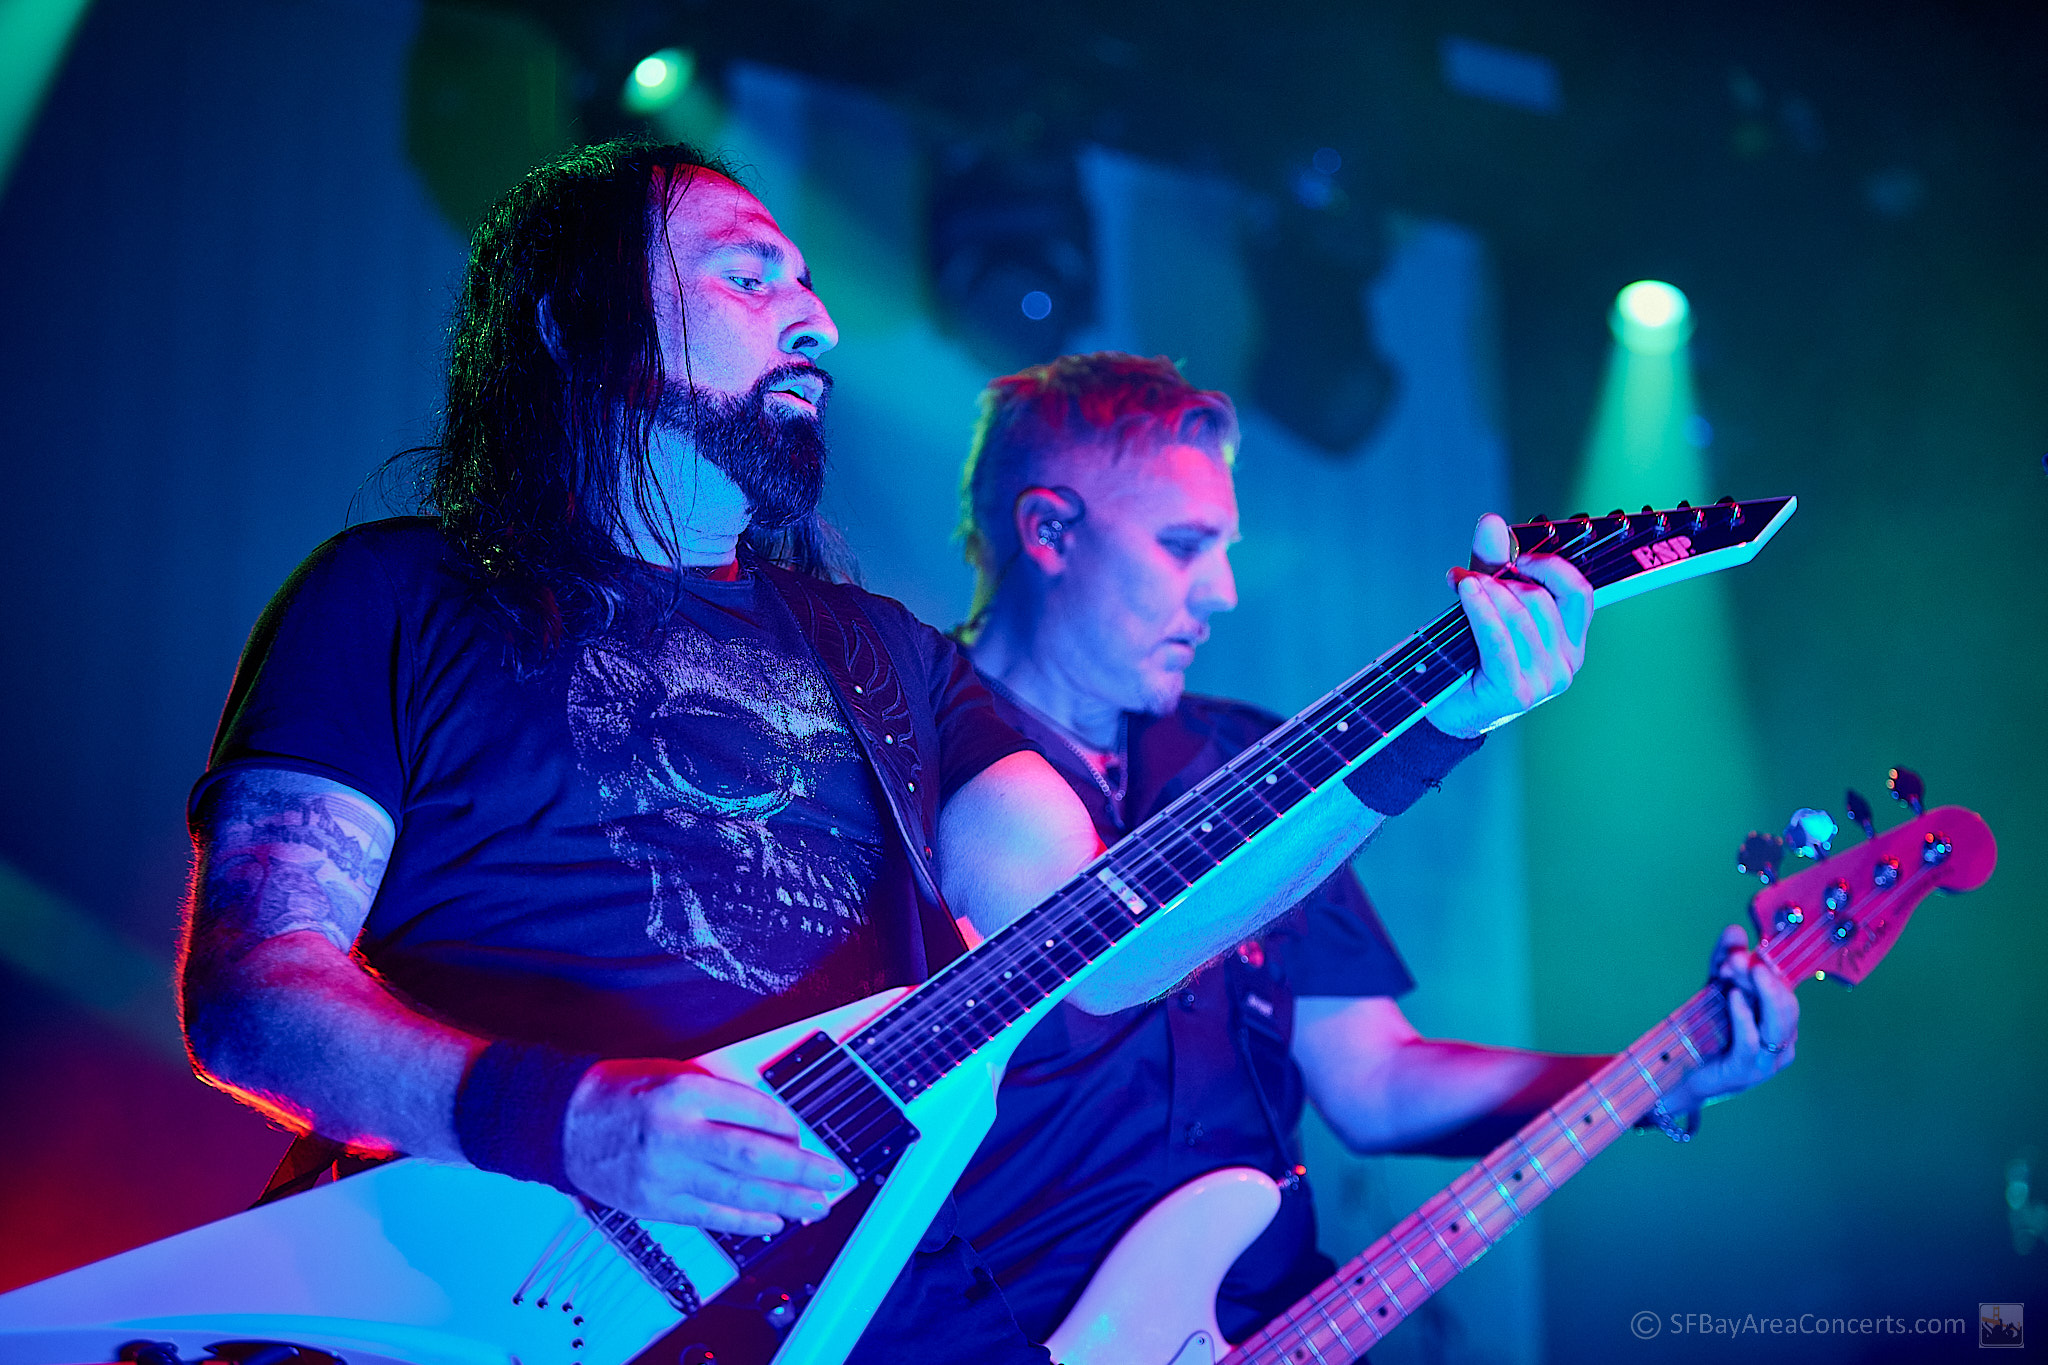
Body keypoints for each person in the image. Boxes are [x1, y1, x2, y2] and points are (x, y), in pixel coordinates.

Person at [175, 141, 1587, 1362]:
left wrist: (1431, 729)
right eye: (750, 277)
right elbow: (252, 994)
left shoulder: (890, 658)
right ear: (575, 321)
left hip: (877, 1306)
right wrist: (569, 1117)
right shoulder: (393, 595)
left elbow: (1109, 941)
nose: (821, 323)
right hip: (472, 1292)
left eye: (809, 283)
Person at [945, 353, 1800, 1347]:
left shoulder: (1247, 758)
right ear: (1047, 530)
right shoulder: (909, 754)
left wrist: (1661, 1076)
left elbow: (1375, 1083)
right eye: (1183, 545)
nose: (1220, 591)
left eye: (1225, 546)